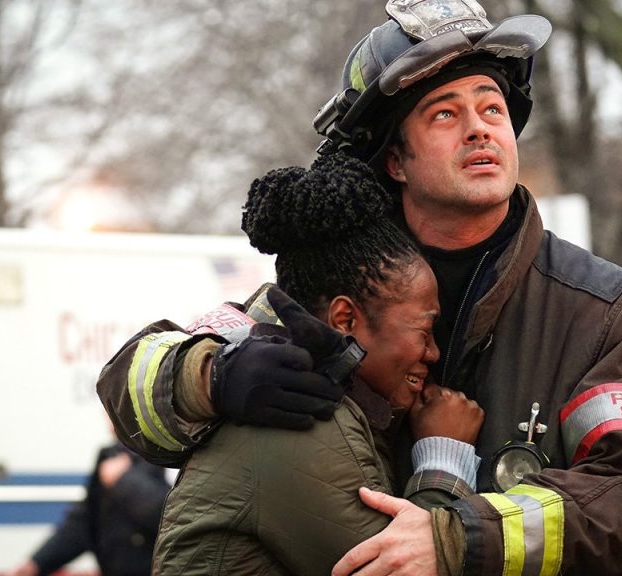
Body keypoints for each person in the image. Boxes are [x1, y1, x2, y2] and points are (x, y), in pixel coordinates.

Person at [96, 1, 622, 574]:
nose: (479, 130)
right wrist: (214, 378)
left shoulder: (608, 313)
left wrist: (460, 538)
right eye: (444, 113)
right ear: (395, 161)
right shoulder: (344, 284)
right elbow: (128, 384)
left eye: (492, 109)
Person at [154, 152, 484, 574]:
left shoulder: (307, 399)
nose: (434, 353)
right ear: (345, 319)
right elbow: (400, 565)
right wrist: (444, 459)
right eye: (425, 330)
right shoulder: (303, 423)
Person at [9, 441, 171, 576]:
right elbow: (83, 523)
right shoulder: (110, 455)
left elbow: (170, 515)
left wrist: (123, 480)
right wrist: (36, 563)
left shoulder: (173, 452)